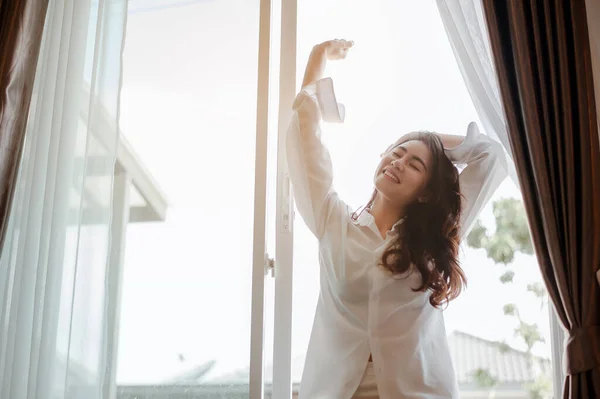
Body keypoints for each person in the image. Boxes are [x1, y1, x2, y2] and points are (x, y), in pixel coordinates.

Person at [286, 39, 507, 398]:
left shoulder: (438, 235)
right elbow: (303, 133)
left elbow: (491, 156)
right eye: (396, 152)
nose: (398, 162)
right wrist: (317, 59)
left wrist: (426, 139)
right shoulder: (333, 221)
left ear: (425, 191)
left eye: (414, 164)